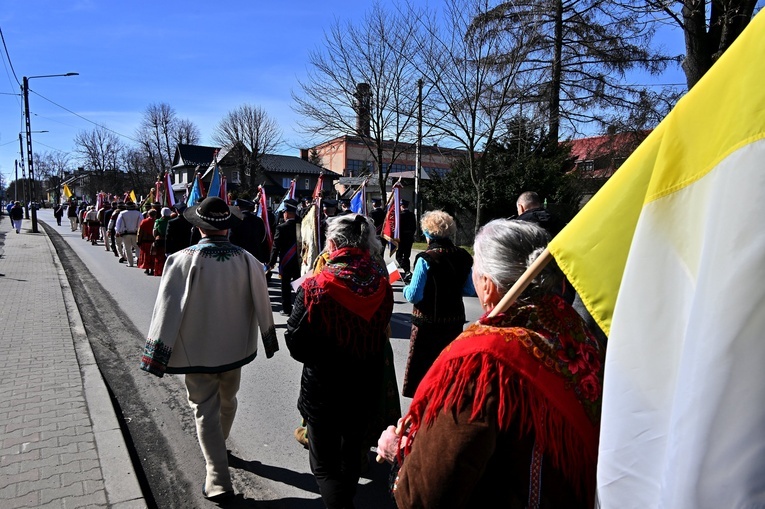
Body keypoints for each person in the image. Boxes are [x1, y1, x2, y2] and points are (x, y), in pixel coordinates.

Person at [376, 219, 605, 508]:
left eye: (476, 270)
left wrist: (399, 452)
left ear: (489, 284)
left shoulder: (483, 362)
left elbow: (425, 496)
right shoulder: (576, 333)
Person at [139, 196, 278, 501]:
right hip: (235, 350)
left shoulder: (180, 260)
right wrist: (269, 338)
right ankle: (219, 447)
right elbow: (263, 301)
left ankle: (217, 475)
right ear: (227, 227)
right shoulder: (248, 260)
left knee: (206, 411)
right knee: (228, 401)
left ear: (199, 226)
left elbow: (166, 309)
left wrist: (156, 355)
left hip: (196, 352)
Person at [285, 213, 394, 509]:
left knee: (325, 466)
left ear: (332, 243)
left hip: (324, 388)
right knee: (350, 459)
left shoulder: (316, 286)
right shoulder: (381, 284)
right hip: (365, 384)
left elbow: (296, 344)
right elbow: (382, 332)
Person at [401, 210, 473, 398]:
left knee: (424, 372)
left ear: (427, 233)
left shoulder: (426, 258)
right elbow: (469, 290)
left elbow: (414, 296)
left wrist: (405, 287)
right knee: (448, 368)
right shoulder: (463, 256)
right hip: (454, 321)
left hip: (427, 323)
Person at [269, 199, 301, 316]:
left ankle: (287, 309)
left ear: (287, 213)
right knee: (298, 286)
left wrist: (271, 262)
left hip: (286, 261)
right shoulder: (302, 224)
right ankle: (299, 308)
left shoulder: (281, 228)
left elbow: (275, 247)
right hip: (298, 261)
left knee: (286, 287)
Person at [229, 198, 268, 263]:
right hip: (256, 256)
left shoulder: (235, 220)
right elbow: (263, 238)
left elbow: (231, 239)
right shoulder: (258, 220)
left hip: (239, 256)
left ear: (238, 208)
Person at [115, 201, 142, 267]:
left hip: (126, 233)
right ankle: (138, 258)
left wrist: (117, 231)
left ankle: (130, 263)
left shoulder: (122, 213)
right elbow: (141, 222)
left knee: (127, 248)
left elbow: (118, 223)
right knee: (137, 247)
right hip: (136, 233)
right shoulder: (138, 213)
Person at [396, 199, 417, 281]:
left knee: (399, 256)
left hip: (402, 238)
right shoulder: (412, 215)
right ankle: (407, 273)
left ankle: (407, 271)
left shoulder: (400, 216)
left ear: (401, 206)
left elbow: (399, 228)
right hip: (409, 238)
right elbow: (414, 227)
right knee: (406, 256)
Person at [151, 207, 172, 277]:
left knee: (159, 256)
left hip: (160, 240)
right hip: (170, 240)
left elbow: (154, 231)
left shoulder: (158, 221)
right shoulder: (172, 220)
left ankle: (159, 271)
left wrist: (155, 237)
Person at [137, 209, 158, 275]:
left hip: (145, 241)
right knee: (153, 256)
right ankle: (152, 269)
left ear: (148, 214)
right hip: (153, 241)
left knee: (146, 256)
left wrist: (138, 241)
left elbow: (140, 232)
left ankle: (147, 269)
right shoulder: (156, 222)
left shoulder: (144, 222)